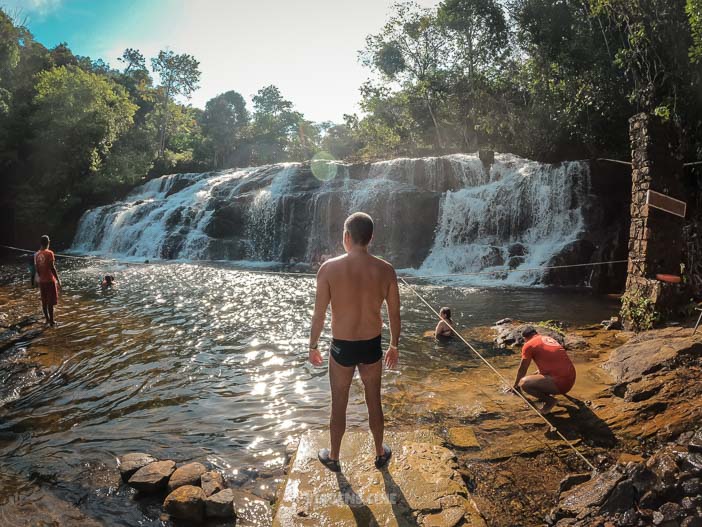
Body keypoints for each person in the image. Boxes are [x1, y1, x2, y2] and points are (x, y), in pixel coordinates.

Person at [308, 212, 401, 472]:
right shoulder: (386, 270)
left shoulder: (328, 269)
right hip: (371, 345)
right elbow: (394, 313)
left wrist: (312, 345)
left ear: (346, 237)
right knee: (374, 400)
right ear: (370, 237)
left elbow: (319, 314)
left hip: (341, 347)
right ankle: (380, 452)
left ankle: (334, 456)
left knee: (339, 402)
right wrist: (394, 345)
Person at [512, 326, 576, 414]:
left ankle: (550, 401)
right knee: (534, 375)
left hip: (561, 384)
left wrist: (515, 386)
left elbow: (523, 368)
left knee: (524, 383)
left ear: (525, 338)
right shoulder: (547, 338)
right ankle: (548, 393)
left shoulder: (529, 345)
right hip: (571, 380)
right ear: (535, 333)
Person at [34, 235, 61, 326]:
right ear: (48, 242)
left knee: (44, 301)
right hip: (50, 280)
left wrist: (41, 277)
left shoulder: (37, 254)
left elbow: (37, 269)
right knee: (50, 302)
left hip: (42, 281)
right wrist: (58, 279)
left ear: (41, 243)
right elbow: (52, 267)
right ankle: (52, 321)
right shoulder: (50, 253)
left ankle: (47, 320)